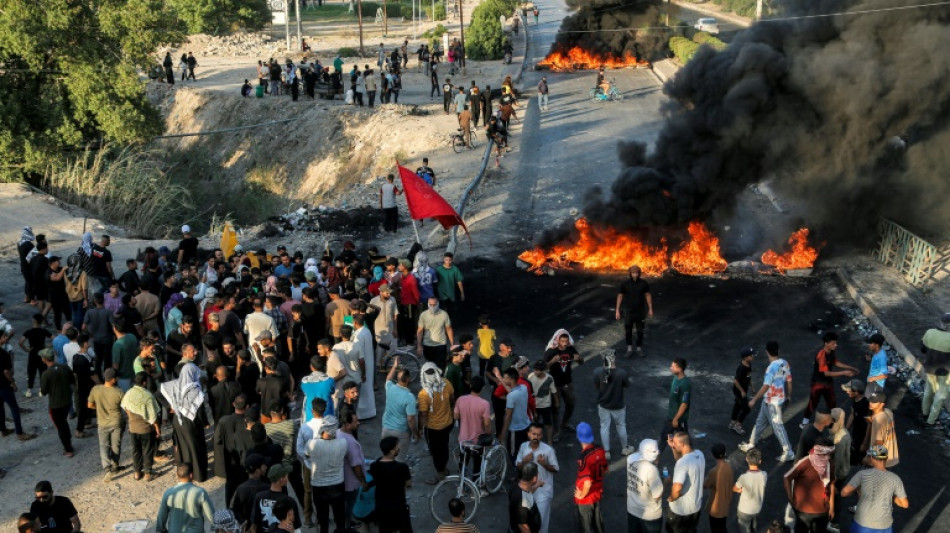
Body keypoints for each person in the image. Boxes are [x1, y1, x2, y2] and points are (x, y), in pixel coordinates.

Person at [740, 341, 794, 462]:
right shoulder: (784, 363)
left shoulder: (770, 368)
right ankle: (751, 443)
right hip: (774, 400)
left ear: (767, 352)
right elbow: (789, 381)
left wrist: (754, 400)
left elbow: (766, 386)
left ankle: (788, 451)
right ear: (778, 351)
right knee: (760, 422)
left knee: (778, 427)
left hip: (772, 402)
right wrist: (789, 396)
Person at [840, 445, 909, 533]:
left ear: (872, 458)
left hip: (862, 524)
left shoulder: (862, 474)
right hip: (884, 526)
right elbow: (905, 504)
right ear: (886, 458)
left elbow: (844, 493)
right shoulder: (895, 479)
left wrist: (858, 489)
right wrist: (890, 495)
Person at [161, 362, 209, 482]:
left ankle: (186, 473)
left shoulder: (174, 384)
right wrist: (204, 422)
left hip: (178, 420)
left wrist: (170, 407)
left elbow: (159, 392)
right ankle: (198, 475)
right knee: (194, 447)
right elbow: (199, 409)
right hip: (191, 422)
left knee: (183, 447)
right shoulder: (194, 388)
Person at [800, 332, 858, 428]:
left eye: (836, 343)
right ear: (826, 344)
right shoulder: (821, 355)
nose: (836, 345)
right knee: (813, 403)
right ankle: (804, 422)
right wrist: (844, 372)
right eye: (833, 343)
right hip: (818, 383)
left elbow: (835, 362)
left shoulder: (831, 351)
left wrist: (850, 367)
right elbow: (826, 373)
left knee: (832, 403)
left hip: (827, 383)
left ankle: (831, 422)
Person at [783, 437, 836, 533]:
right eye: (828, 454)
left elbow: (831, 485)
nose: (829, 456)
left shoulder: (830, 464)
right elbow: (787, 478)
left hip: (821, 511)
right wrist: (791, 498)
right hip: (804, 511)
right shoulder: (805, 462)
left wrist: (831, 508)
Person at [515, 423, 559, 533]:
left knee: (541, 521)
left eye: (538, 435)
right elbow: (518, 465)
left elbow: (556, 469)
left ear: (542, 436)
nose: (536, 437)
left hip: (543, 491)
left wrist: (544, 464)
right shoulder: (523, 447)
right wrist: (525, 461)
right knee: (527, 521)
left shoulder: (548, 450)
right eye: (534, 434)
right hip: (527, 490)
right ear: (528, 434)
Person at [419, 362, 456, 484]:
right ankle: (444, 469)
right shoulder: (446, 384)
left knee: (435, 451)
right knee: (444, 447)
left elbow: (424, 414)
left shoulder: (423, 394)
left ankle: (440, 474)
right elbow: (452, 400)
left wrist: (419, 429)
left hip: (432, 428)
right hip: (447, 423)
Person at [369, 435, 414, 533]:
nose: (399, 448)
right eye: (397, 446)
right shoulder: (402, 467)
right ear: (392, 451)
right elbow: (408, 483)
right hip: (398, 507)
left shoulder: (374, 466)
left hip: (382, 507)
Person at [123, 371, 162, 481]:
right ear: (145, 382)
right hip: (146, 429)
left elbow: (125, 406)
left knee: (136, 451)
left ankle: (137, 473)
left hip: (133, 428)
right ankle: (148, 473)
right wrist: (158, 430)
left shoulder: (129, 393)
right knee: (147, 451)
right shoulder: (148, 396)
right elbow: (153, 417)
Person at [594, 352, 633, 460]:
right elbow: (626, 385)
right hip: (618, 405)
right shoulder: (622, 373)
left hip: (603, 404)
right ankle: (625, 448)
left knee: (604, 427)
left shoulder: (597, 372)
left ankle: (606, 452)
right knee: (621, 426)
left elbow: (597, 386)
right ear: (614, 359)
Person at [87, 367, 125, 474]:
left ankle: (107, 467)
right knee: (116, 445)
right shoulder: (119, 392)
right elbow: (125, 407)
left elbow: (89, 405)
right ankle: (115, 465)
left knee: (103, 445)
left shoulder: (96, 389)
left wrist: (98, 407)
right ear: (113, 379)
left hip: (102, 423)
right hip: (116, 422)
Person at [1, 329, 36, 441]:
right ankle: (19, 433)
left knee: (0, 409)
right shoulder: (3, 354)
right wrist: (13, 383)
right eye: (4, 336)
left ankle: (3, 429)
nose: (6, 338)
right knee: (14, 409)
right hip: (4, 386)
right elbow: (6, 372)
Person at [666, 431, 705, 533]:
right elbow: (681, 458)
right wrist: (673, 447)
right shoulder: (699, 454)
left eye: (674, 443)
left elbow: (677, 487)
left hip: (680, 511)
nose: (672, 444)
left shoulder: (682, 463)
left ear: (682, 444)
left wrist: (672, 498)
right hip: (695, 508)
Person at [382, 356, 419, 461]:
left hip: (386, 429)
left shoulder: (390, 388)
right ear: (408, 379)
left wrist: (394, 366)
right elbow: (411, 419)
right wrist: (415, 433)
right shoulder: (410, 397)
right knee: (399, 461)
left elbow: (388, 379)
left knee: (387, 459)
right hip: (401, 432)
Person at [40, 348, 74, 457]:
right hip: (67, 400)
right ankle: (68, 442)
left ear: (44, 360)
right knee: (64, 423)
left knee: (61, 426)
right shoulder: (64, 367)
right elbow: (72, 380)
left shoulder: (46, 374)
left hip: (55, 404)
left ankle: (68, 449)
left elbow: (44, 391)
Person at [250, 463, 303, 533]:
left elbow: (254, 526)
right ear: (281, 479)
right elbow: (296, 529)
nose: (287, 478)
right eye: (286, 476)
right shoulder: (289, 501)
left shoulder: (259, 497)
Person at [574, 421, 607, 533]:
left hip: (586, 498)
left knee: (585, 527)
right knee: (598, 525)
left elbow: (587, 483)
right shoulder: (600, 449)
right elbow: (605, 470)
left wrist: (581, 495)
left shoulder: (583, 458)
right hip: (597, 493)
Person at [918, 312, 950, 426]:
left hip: (930, 368)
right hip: (945, 373)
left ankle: (924, 413)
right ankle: (931, 421)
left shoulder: (929, 332)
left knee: (927, 392)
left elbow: (922, 349)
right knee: (939, 397)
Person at [615, 265, 654, 357]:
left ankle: (639, 348)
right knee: (628, 330)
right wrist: (617, 310)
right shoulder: (625, 284)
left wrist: (650, 308)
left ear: (639, 273)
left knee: (640, 331)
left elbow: (648, 295)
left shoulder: (644, 283)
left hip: (640, 312)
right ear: (630, 273)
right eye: (633, 273)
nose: (635, 275)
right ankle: (629, 348)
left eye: (636, 273)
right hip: (629, 311)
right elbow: (620, 296)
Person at [626, 439, 663, 533]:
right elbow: (657, 496)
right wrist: (666, 482)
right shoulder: (651, 470)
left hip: (632, 510)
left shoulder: (630, 459)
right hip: (650, 515)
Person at [659, 358, 691, 456]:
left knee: (680, 439)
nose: (670, 368)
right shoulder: (676, 378)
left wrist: (676, 419)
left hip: (677, 418)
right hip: (672, 415)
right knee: (673, 436)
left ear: (680, 369)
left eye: (673, 367)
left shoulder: (685, 384)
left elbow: (684, 404)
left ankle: (657, 457)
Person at [733, 449, 767, 533]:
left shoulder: (743, 477)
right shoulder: (764, 475)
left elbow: (735, 488)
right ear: (760, 461)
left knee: (744, 528)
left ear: (747, 459)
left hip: (745, 509)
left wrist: (740, 490)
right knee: (754, 524)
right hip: (757, 507)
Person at [18, 313, 51, 398]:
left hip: (32, 353)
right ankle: (41, 390)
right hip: (42, 353)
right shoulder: (44, 331)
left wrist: (26, 349)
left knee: (31, 372)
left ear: (34, 321)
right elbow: (54, 339)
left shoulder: (29, 332)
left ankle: (29, 391)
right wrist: (48, 347)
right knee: (42, 371)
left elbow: (21, 342)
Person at [703, 443, 734, 533]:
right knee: (722, 527)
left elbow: (705, 485)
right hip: (726, 503)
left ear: (713, 455)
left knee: (716, 529)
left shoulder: (714, 471)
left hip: (716, 507)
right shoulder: (728, 466)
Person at [501, 368, 531, 458]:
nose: (503, 380)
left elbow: (508, 416)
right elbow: (513, 393)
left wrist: (503, 433)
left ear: (511, 380)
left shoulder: (511, 396)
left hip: (515, 429)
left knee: (513, 453)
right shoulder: (524, 388)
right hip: (526, 425)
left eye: (505, 378)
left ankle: (517, 468)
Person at [417, 297, 454, 369]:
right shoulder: (423, 315)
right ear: (428, 304)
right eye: (430, 305)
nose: (432, 307)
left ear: (438, 304)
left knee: (441, 367)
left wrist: (452, 344)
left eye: (434, 305)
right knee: (430, 367)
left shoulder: (444, 314)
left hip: (441, 344)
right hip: (427, 345)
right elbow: (420, 331)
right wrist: (419, 345)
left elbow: (449, 329)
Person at [866, 390, 899, 467]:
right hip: (891, 455)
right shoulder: (888, 412)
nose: (870, 403)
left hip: (881, 460)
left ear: (881, 404)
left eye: (874, 402)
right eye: (870, 401)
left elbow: (879, 442)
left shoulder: (878, 420)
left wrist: (868, 456)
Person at [841, 378, 870, 465]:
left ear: (856, 392)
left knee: (859, 454)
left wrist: (865, 443)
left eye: (849, 390)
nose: (847, 392)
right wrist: (845, 430)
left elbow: (869, 425)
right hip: (856, 431)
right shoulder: (855, 399)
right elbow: (852, 414)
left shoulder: (865, 405)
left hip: (863, 435)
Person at [527, 359, 556, 443]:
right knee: (534, 424)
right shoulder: (531, 376)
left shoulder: (549, 378)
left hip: (545, 405)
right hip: (534, 405)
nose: (535, 371)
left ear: (543, 370)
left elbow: (553, 391)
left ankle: (549, 442)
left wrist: (556, 402)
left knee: (548, 424)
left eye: (537, 370)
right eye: (535, 369)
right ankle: (534, 441)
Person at [510, 462, 543, 533]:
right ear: (534, 478)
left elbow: (528, 491)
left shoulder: (517, 487)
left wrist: (537, 485)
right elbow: (523, 526)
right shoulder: (522, 504)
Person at [730, 347, 756, 435]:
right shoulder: (742, 368)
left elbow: (749, 377)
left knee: (738, 405)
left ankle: (733, 422)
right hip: (739, 390)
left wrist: (752, 387)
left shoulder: (749, 365)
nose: (753, 357)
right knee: (746, 408)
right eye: (751, 355)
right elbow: (735, 381)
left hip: (744, 389)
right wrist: (742, 391)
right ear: (745, 357)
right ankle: (737, 425)